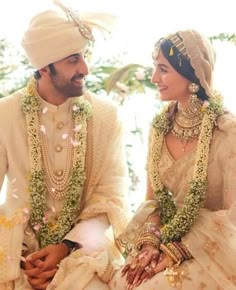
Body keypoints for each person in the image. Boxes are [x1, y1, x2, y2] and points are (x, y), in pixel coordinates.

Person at [0, 3, 129, 290]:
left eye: (83, 56)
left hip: (83, 253)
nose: (85, 68)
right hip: (15, 252)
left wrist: (67, 247)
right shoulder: (5, 114)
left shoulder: (106, 117)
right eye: (73, 60)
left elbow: (112, 197)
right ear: (45, 67)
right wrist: (18, 255)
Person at [109, 29, 236, 290]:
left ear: (192, 76)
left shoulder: (227, 133)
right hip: (162, 240)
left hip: (210, 250)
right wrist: (149, 245)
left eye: (163, 69)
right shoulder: (159, 129)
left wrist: (178, 250)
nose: (154, 78)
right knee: (123, 282)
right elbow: (152, 201)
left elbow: (231, 217)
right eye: (154, 68)